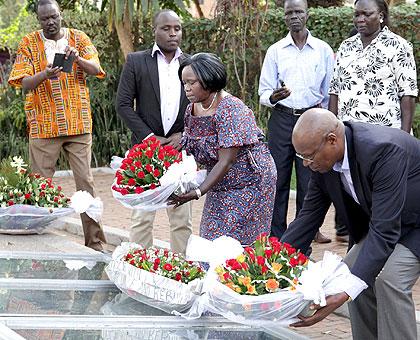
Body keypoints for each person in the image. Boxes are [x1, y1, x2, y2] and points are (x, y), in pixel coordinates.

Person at [281, 109, 420, 340]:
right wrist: (269, 263)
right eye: (301, 157)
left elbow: (384, 231)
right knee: (349, 275)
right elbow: (307, 218)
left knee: (389, 281)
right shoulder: (323, 162)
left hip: (415, 224)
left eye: (309, 156)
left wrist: (345, 292)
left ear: (332, 141)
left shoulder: (382, 150)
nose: (305, 164)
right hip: (389, 222)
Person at [8, 0, 107, 251]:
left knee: (86, 183)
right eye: (44, 19)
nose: (50, 22)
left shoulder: (79, 38)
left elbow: (96, 68)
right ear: (38, 20)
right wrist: (45, 74)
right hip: (43, 125)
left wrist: (78, 60)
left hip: (78, 122)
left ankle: (95, 243)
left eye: (53, 17)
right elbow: (23, 83)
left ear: (60, 15)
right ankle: (38, 245)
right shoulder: (29, 43)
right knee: (40, 186)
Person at [329, 0, 417, 243]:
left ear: (381, 15)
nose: (360, 19)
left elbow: (407, 94)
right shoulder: (346, 47)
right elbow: (334, 92)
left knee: (383, 204)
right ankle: (359, 252)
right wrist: (332, 128)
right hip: (349, 142)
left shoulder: (399, 46)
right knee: (356, 204)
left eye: (366, 14)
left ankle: (386, 254)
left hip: (383, 142)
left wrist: (404, 138)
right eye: (356, 14)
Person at [169, 53, 277, 246]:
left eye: (191, 82)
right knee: (211, 237)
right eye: (184, 82)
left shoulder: (231, 109)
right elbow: (192, 148)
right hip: (220, 181)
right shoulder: (191, 109)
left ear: (209, 80)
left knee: (234, 243)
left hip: (250, 182)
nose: (186, 88)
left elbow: (227, 160)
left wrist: (197, 192)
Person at [115, 9, 192, 254]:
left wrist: (186, 135)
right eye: (166, 28)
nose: (172, 33)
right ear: (154, 31)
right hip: (146, 151)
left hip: (179, 151)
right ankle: (140, 268)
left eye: (177, 28)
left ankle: (181, 270)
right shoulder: (136, 61)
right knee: (142, 217)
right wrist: (150, 138)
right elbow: (123, 104)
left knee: (181, 219)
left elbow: (201, 106)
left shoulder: (191, 63)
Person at [258, 0, 334, 243]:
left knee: (308, 183)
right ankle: (276, 238)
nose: (294, 16)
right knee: (277, 179)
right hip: (282, 119)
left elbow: (331, 90)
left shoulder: (322, 50)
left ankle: (302, 240)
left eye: (298, 11)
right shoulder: (276, 50)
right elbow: (263, 92)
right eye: (289, 12)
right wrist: (273, 96)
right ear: (284, 17)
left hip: (313, 121)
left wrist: (331, 123)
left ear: (307, 15)